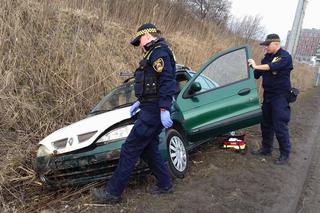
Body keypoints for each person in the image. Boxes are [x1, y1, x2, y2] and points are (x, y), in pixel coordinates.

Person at [91, 23, 177, 203]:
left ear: (146, 37)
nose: (139, 45)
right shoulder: (154, 53)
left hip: (153, 112)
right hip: (149, 107)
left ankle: (112, 194)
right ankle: (165, 184)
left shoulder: (159, 53)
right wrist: (141, 101)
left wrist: (163, 109)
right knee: (148, 149)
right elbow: (151, 83)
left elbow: (167, 82)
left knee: (129, 149)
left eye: (139, 41)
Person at [248, 34, 293, 165]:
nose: (265, 48)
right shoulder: (266, 58)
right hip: (268, 95)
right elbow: (256, 74)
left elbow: (271, 67)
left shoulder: (285, 57)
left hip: (280, 96)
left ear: (276, 44)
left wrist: (256, 66)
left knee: (279, 125)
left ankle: (285, 154)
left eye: (267, 45)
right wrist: (250, 67)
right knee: (265, 123)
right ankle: (266, 149)